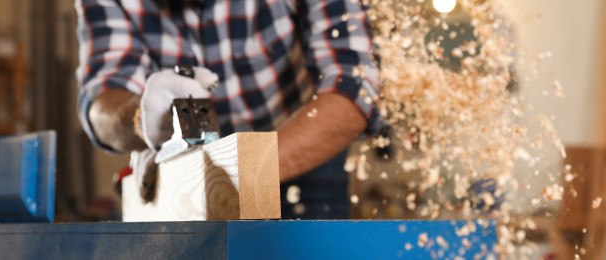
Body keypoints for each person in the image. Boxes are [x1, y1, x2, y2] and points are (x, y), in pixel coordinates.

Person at [75, 0, 380, 219]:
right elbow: (101, 103)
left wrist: (241, 174)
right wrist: (142, 116)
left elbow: (354, 85)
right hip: (188, 171)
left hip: (300, 155)